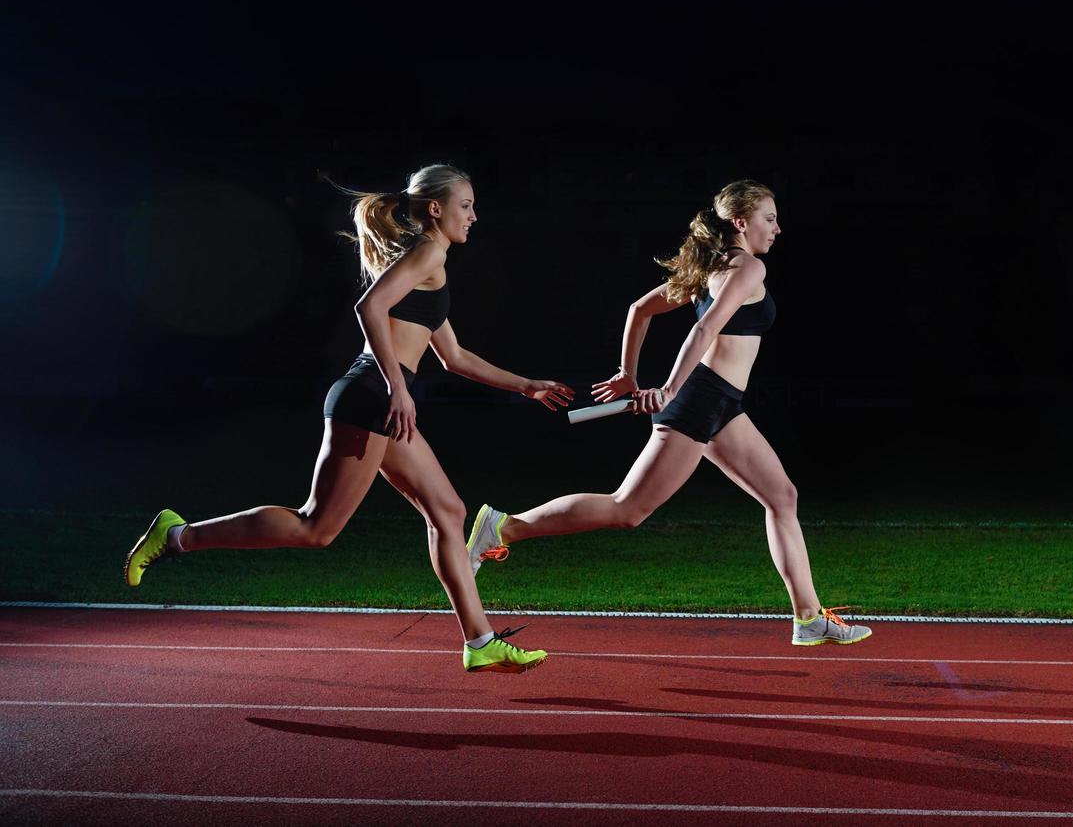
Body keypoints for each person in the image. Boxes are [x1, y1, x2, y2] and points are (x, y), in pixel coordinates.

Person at [123, 163, 574, 673]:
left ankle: (480, 641)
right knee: (317, 528)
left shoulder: (434, 263)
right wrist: (398, 386)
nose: (473, 216)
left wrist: (525, 385)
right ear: (435, 208)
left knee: (448, 511)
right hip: (370, 396)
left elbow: (454, 357)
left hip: (377, 398)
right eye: (465, 206)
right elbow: (369, 307)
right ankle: (178, 535)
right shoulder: (426, 251)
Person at [467, 179, 871, 646]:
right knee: (628, 509)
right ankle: (503, 527)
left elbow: (640, 310)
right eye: (769, 218)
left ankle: (807, 617)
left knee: (782, 496)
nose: (777, 228)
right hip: (698, 400)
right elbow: (702, 331)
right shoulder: (747, 269)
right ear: (740, 222)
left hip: (721, 404)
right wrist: (665, 388)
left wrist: (627, 375)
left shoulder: (713, 267)